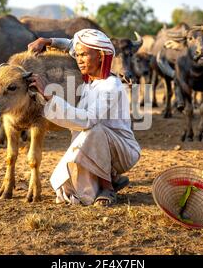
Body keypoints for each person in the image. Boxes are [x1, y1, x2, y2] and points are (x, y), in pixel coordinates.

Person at [27, 29, 141, 206]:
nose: (78, 59)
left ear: (101, 56)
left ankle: (107, 188)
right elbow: (73, 45)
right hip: (99, 145)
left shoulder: (110, 86)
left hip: (122, 150)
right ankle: (109, 176)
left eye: (83, 55)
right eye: (77, 55)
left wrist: (50, 95)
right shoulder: (91, 82)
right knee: (67, 188)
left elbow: (87, 120)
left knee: (95, 129)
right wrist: (47, 41)